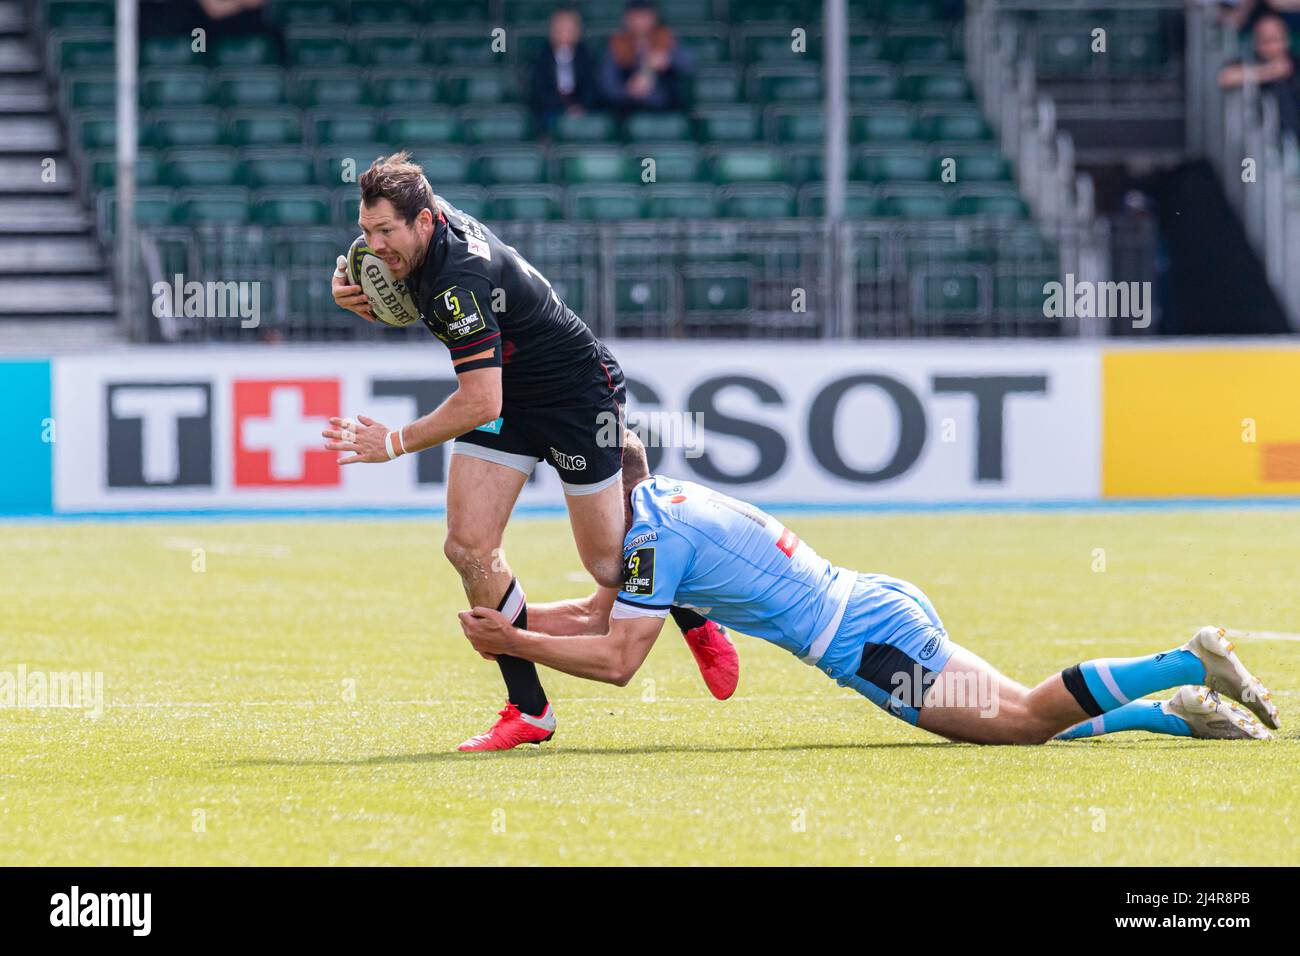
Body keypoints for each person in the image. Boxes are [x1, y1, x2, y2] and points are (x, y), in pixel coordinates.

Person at [459, 432, 1281, 745]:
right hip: (875, 603)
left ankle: (1186, 664)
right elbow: (601, 614)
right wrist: (522, 618)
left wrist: (513, 642)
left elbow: (616, 661)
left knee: (1022, 722)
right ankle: (1172, 716)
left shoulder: (652, 540)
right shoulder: (668, 499)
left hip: (867, 646)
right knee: (1004, 718)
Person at [327, 153, 737, 751]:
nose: (373, 244)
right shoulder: (420, 233)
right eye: (367, 230)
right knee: (468, 546)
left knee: (606, 568)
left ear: (424, 220)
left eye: (385, 232)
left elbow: (478, 402)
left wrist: (392, 443)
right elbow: (390, 285)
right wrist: (349, 288)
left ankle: (691, 610)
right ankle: (529, 709)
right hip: (509, 396)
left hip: (574, 399)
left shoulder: (458, 279)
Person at [597, 0, 693, 114]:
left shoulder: (666, 38)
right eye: (636, 16)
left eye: (645, 16)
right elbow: (607, 83)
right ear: (627, 19)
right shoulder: (617, 43)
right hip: (628, 110)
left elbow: (689, 67)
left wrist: (668, 61)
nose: (641, 22)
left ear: (654, 17)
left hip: (665, 108)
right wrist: (627, 90)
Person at [1219, 14, 1300, 137]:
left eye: (1275, 38)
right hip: (1260, 141)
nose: (1271, 46)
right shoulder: (1249, 62)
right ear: (1256, 43)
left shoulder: (1296, 63)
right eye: (1265, 40)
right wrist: (1268, 72)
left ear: (1286, 40)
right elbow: (1225, 77)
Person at [529, 5, 598, 136]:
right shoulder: (541, 56)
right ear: (552, 31)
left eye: (569, 28)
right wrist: (565, 109)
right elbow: (538, 91)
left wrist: (580, 107)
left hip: (582, 112)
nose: (565, 33)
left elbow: (592, 87)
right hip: (551, 112)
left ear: (578, 32)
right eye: (560, 28)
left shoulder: (586, 55)